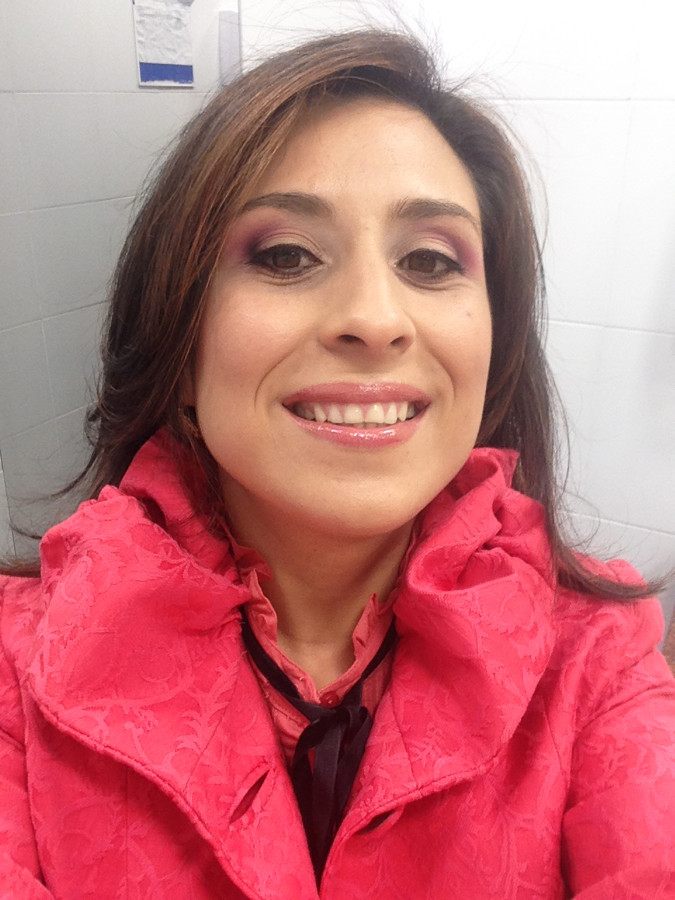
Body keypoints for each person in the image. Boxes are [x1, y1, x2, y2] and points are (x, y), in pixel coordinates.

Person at [1, 29, 673, 899]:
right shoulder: (17, 669)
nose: (374, 318)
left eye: (429, 261)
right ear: (181, 345)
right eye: (286, 255)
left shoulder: (597, 661)